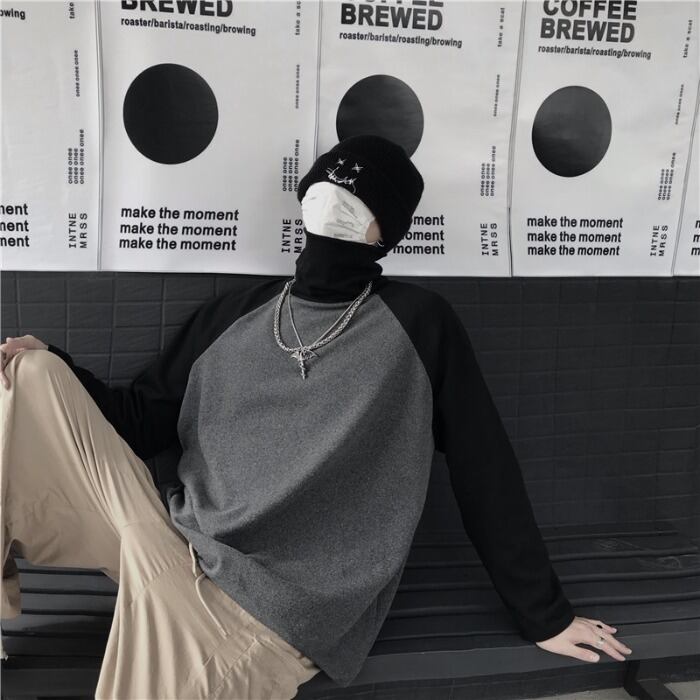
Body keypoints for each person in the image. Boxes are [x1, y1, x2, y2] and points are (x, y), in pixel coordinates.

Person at [0, 135, 631, 698]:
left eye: (360, 196)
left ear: (386, 231)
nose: (335, 197)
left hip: (269, 608)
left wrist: (545, 615)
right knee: (26, 374)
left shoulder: (420, 323)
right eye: (327, 184)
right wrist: (58, 362)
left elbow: (483, 467)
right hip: (167, 540)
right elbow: (140, 421)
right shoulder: (233, 314)